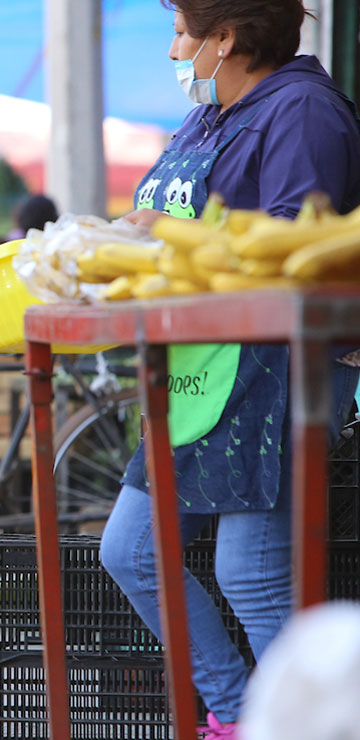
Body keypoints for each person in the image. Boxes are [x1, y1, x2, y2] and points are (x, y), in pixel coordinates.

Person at [100, 2, 360, 738]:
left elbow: (288, 251)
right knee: (130, 550)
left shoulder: (305, 114)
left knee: (251, 574)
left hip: (273, 379)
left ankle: (313, 727)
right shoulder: (211, 114)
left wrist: (168, 235)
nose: (175, 50)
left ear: (228, 38)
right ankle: (243, 712)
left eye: (184, 33)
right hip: (193, 376)